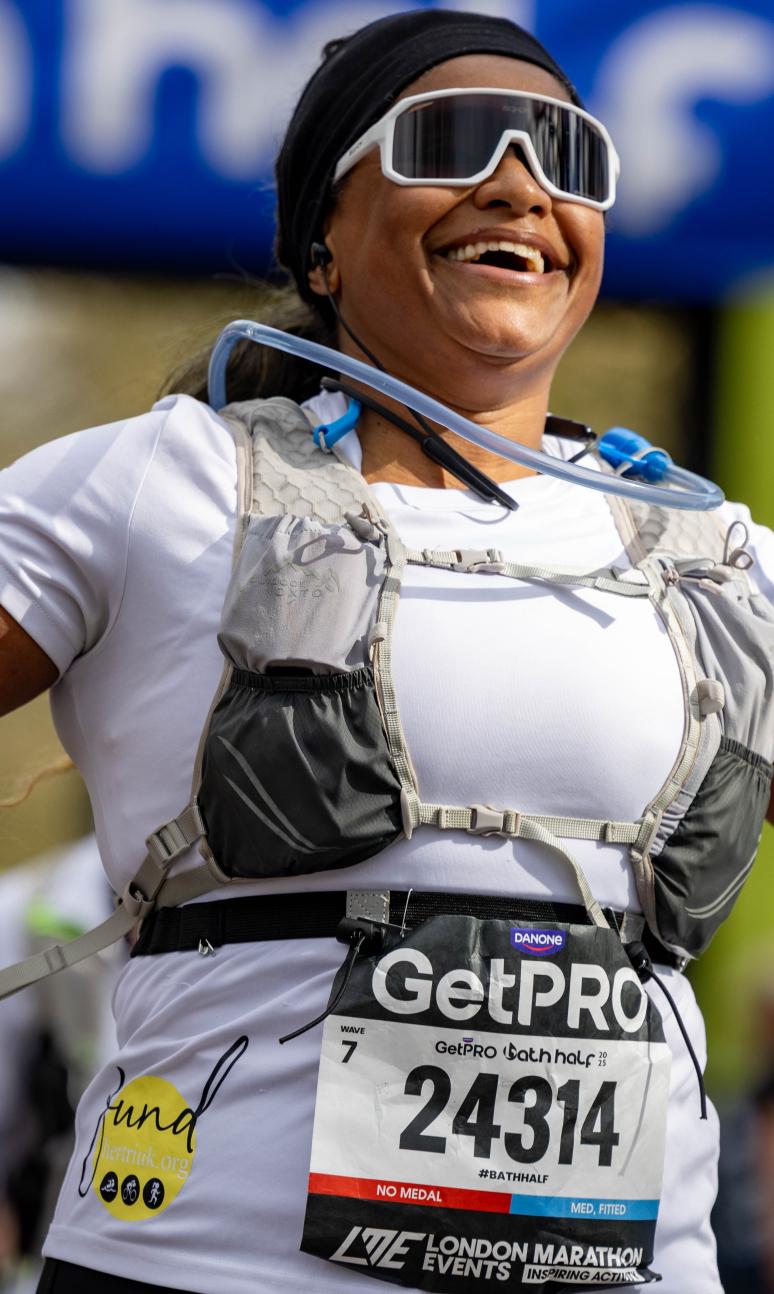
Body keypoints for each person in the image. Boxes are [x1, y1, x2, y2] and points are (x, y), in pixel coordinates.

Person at [0, 9, 772, 1293]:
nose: (518, 180)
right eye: (453, 140)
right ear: (325, 238)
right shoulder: (164, 482)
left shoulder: (722, 556)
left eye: (570, 156)